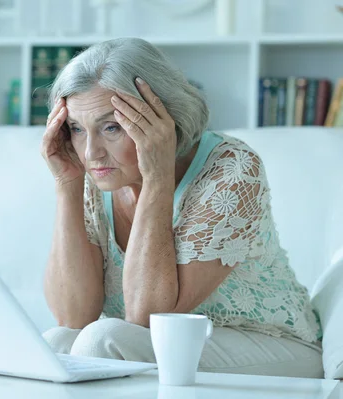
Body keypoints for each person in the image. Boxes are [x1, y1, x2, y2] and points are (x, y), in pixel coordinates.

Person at [40, 37, 323, 378]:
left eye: (111, 127)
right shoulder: (96, 174)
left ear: (165, 118)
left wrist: (156, 177)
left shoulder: (231, 167)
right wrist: (67, 185)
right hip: (164, 346)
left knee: (104, 340)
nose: (91, 154)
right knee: (55, 343)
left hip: (275, 346)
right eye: (76, 129)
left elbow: (148, 318)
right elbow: (72, 317)